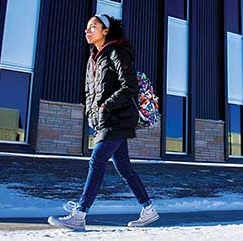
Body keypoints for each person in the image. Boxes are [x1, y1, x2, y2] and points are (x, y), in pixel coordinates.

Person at [48, 14, 159, 230]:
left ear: (105, 30)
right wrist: (92, 113)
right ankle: (149, 209)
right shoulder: (93, 58)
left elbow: (129, 88)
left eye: (93, 27)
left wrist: (105, 106)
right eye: (87, 28)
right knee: (123, 167)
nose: (87, 31)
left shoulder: (118, 52)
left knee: (96, 161)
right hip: (104, 120)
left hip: (117, 119)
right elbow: (91, 92)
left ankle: (79, 215)